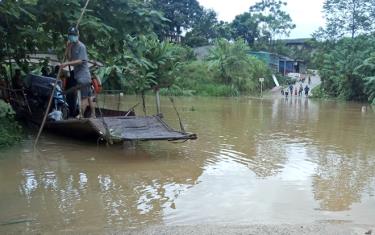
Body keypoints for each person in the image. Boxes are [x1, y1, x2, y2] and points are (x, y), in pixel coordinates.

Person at [61, 26, 95, 118]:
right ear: (69, 36)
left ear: (78, 35)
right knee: (88, 97)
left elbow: (80, 61)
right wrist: (68, 48)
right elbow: (70, 59)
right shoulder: (72, 46)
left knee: (83, 98)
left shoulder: (81, 46)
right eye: (71, 35)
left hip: (83, 77)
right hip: (80, 76)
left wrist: (66, 63)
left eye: (74, 35)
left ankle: (81, 115)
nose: (72, 37)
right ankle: (93, 115)